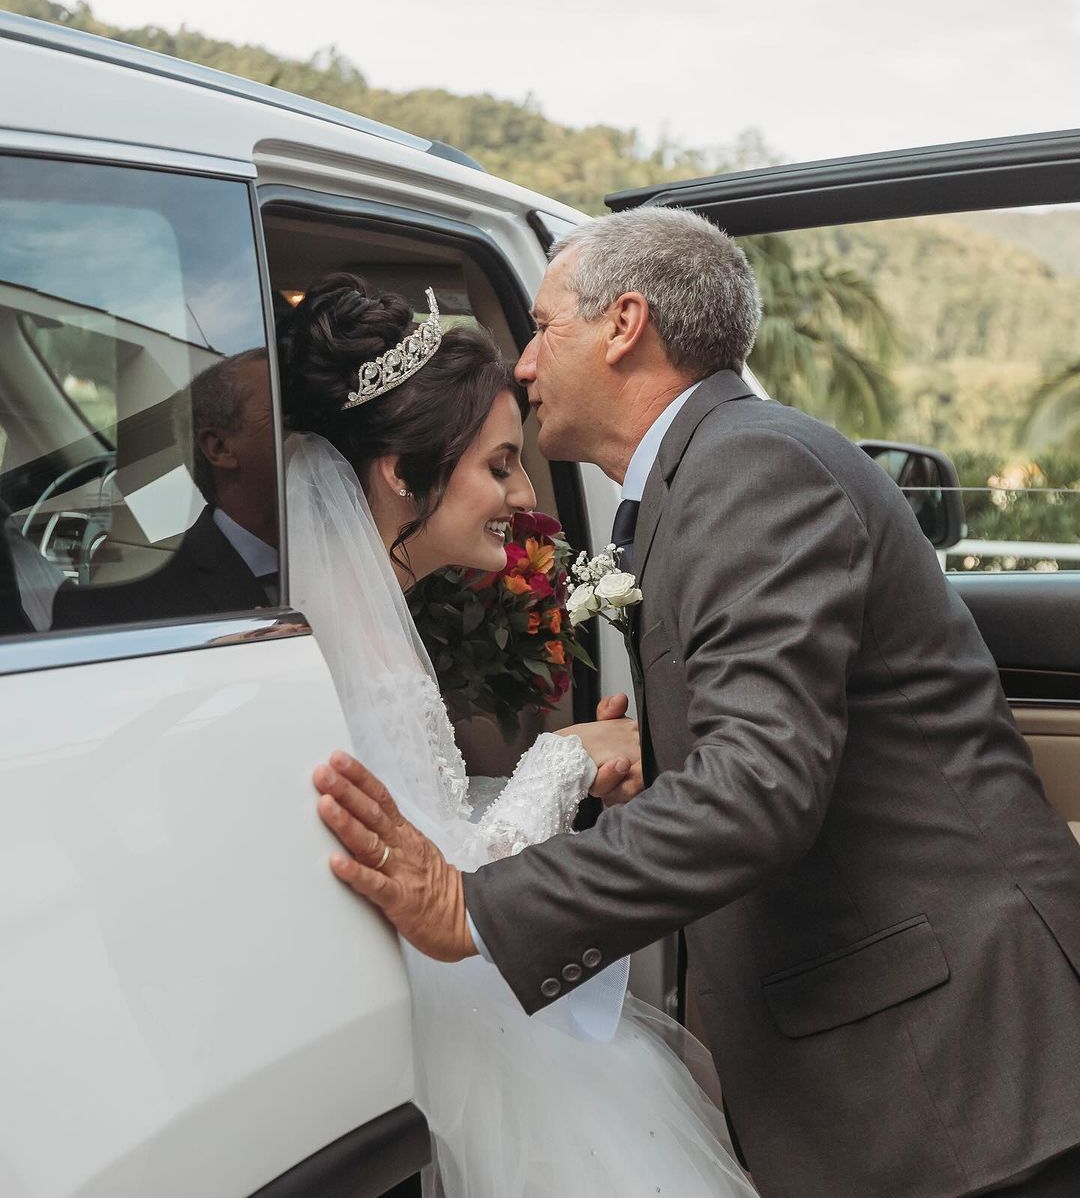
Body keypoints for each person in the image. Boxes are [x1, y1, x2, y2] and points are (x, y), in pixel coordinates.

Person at [316, 210, 1080, 1198]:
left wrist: (472, 905)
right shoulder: (716, 467)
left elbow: (758, 787)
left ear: (624, 324)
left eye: (544, 329)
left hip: (955, 1071)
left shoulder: (747, 467)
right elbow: (780, 745)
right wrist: (668, 758)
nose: (527, 366)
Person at [281, 271, 757, 1198]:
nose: (523, 491)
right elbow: (441, 880)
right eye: (500, 465)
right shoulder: (361, 647)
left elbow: (420, 829)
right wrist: (563, 760)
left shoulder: (354, 616)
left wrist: (570, 772)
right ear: (400, 472)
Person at [56, 350, 277, 625]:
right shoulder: (115, 605)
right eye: (283, 413)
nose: (313, 432)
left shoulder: (342, 548)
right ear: (219, 448)